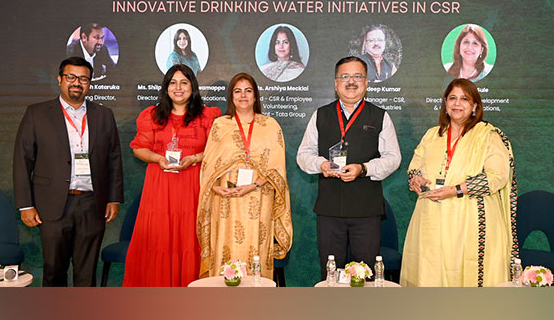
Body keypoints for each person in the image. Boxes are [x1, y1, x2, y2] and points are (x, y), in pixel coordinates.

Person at [12, 57, 123, 286]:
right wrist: (25, 205)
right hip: (51, 205)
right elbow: (22, 161)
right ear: (60, 80)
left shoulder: (104, 115)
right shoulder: (37, 114)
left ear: (89, 83)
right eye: (71, 77)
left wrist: (113, 198)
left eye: (83, 78)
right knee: (54, 272)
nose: (77, 83)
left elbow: (114, 159)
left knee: (86, 273)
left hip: (92, 204)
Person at [400, 78, 516, 287]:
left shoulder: (488, 135)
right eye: (452, 98)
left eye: (464, 99)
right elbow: (414, 166)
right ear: (445, 103)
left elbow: (497, 176)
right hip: (431, 221)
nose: (457, 103)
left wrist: (455, 190)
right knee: (430, 275)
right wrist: (415, 179)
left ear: (474, 106)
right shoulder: (431, 135)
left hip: (471, 220)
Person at [297, 56, 401, 280]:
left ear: (366, 83)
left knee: (364, 276)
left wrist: (364, 169)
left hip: (367, 211)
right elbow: (303, 155)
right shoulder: (321, 115)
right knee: (331, 275)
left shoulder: (381, 116)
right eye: (345, 77)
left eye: (357, 77)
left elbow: (393, 158)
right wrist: (321, 164)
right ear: (335, 84)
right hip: (329, 210)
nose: (351, 82)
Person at [123, 64, 220, 287]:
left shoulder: (207, 116)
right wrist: (158, 158)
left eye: (184, 82)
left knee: (190, 239)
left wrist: (194, 158)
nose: (178, 87)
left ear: (192, 87)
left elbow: (217, 151)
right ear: (166, 88)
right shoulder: (151, 115)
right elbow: (139, 148)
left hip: (192, 186)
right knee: (160, 241)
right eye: (173, 82)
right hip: (159, 188)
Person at [197, 72, 292, 279]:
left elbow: (277, 167)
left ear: (255, 96)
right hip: (225, 199)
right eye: (237, 91)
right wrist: (214, 188)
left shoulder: (270, 125)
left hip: (258, 197)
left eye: (248, 91)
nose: (243, 96)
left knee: (256, 247)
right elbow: (208, 165)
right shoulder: (220, 125)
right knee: (225, 247)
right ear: (231, 96)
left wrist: (255, 185)